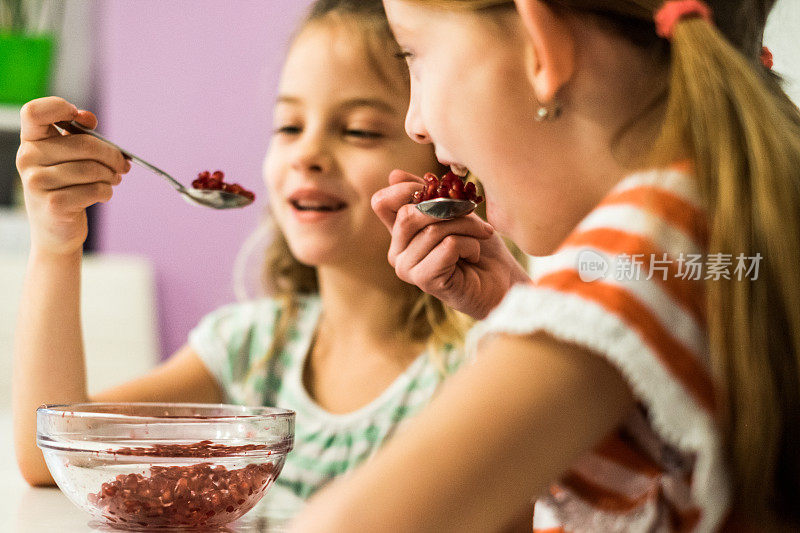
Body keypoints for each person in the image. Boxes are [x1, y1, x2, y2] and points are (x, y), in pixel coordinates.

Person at [289, 0, 800, 531]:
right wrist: (526, 308)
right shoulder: (714, 223)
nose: (415, 124)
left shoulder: (650, 245)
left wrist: (559, 320)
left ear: (541, 48)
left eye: (413, 54)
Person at [13, 0, 478, 522]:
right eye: (288, 126)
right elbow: (50, 454)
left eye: (360, 130)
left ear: (444, 166)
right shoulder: (251, 349)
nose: (308, 153)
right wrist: (56, 245)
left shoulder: (481, 363)